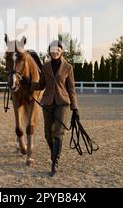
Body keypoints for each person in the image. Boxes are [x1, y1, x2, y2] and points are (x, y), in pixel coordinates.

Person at [22, 40, 79, 177]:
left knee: (58, 133)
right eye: (53, 50)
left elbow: (71, 89)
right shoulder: (45, 67)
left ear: (61, 51)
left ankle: (55, 162)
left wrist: (75, 108)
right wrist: (29, 83)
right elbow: (41, 84)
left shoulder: (68, 67)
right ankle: (55, 154)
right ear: (49, 51)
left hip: (62, 103)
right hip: (47, 102)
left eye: (58, 49)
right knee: (48, 134)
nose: (55, 52)